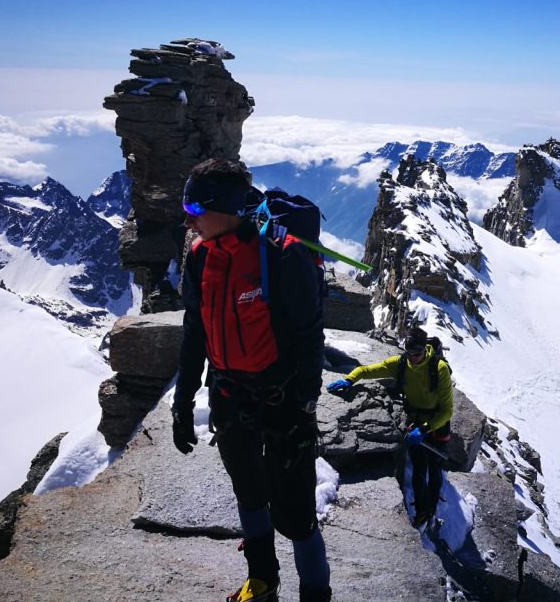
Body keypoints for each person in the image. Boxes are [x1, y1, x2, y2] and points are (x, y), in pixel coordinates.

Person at [171, 158, 331, 602]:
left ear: (225, 207)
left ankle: (316, 594)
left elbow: (308, 334)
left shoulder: (282, 255)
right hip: (229, 395)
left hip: (284, 402)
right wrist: (183, 401)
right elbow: (194, 332)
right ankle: (262, 581)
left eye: (194, 208)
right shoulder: (200, 257)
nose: (188, 219)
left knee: (296, 515)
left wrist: (305, 403)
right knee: (249, 494)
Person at [326, 326, 453, 528]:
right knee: (420, 469)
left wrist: (425, 429)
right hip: (416, 423)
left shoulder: (439, 369)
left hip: (436, 424)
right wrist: (350, 379)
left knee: (435, 469)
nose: (412, 358)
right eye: (409, 353)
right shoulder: (401, 364)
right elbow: (368, 370)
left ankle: (431, 505)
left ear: (424, 349)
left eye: (417, 353)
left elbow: (447, 411)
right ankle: (423, 511)